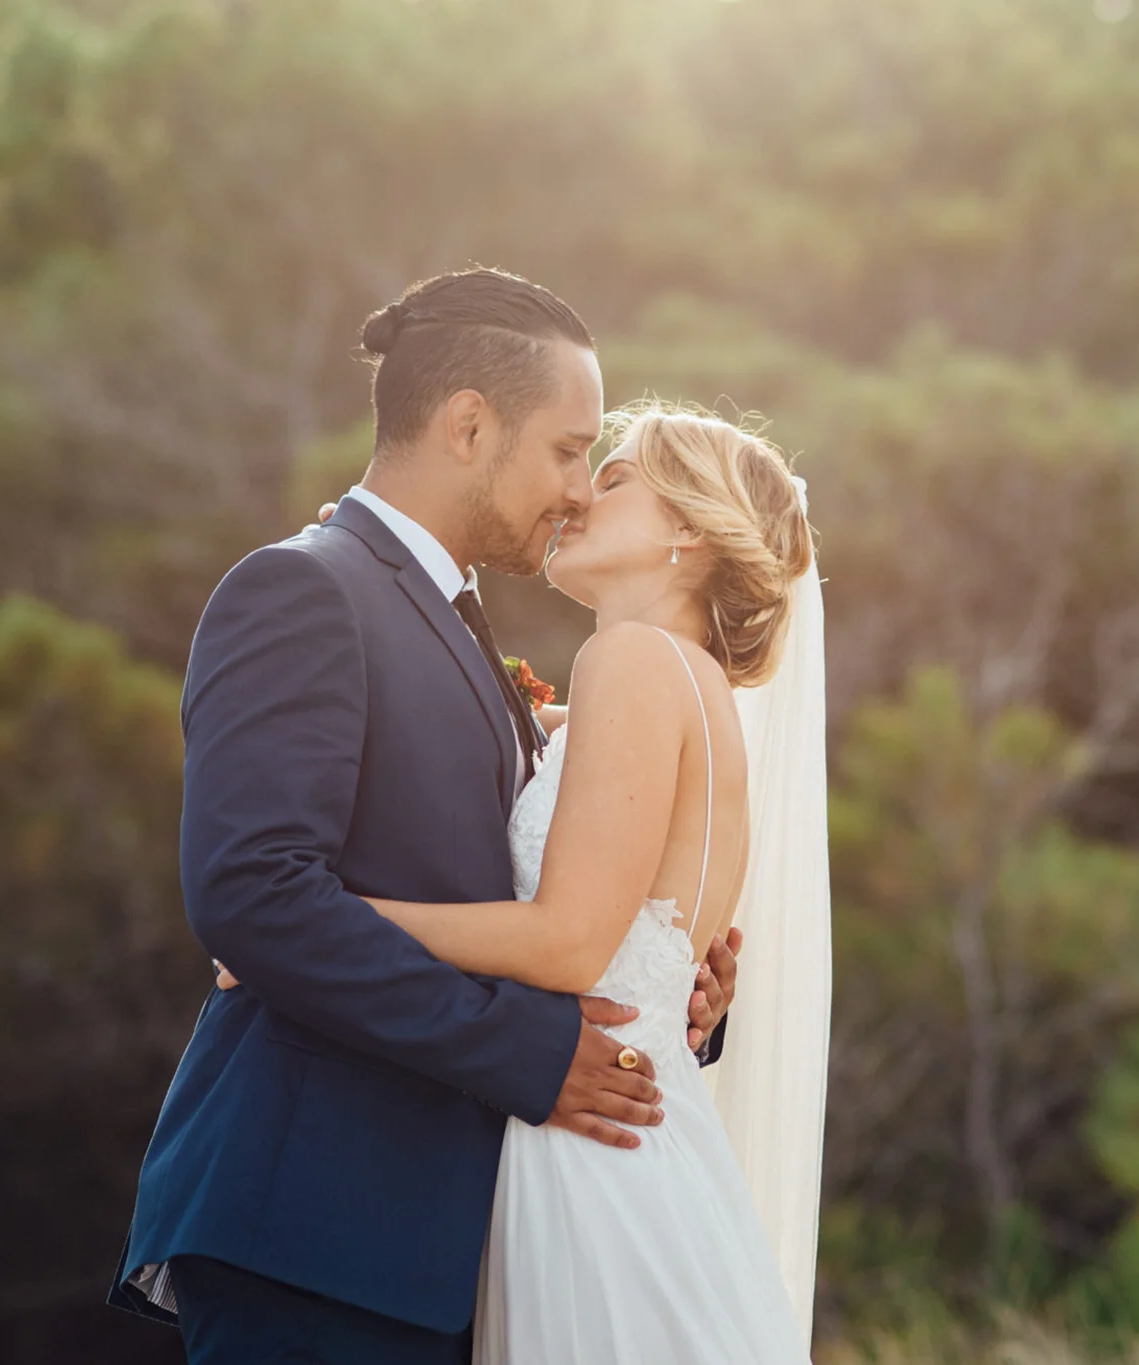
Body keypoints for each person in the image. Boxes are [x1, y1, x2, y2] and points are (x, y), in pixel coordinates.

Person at [108, 268, 742, 1364]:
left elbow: (516, 895)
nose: (578, 492)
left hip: (452, 1233)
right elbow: (252, 895)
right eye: (563, 450)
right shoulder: (302, 591)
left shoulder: (462, 630)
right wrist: (525, 1052)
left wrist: (666, 978)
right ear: (466, 426)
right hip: (318, 1219)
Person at [315, 404, 824, 1364]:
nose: (585, 490)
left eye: (619, 475)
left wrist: (329, 921)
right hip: (651, 1136)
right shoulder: (700, 691)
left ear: (689, 526)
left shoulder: (632, 660)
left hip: (592, 1149)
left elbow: (569, 943)